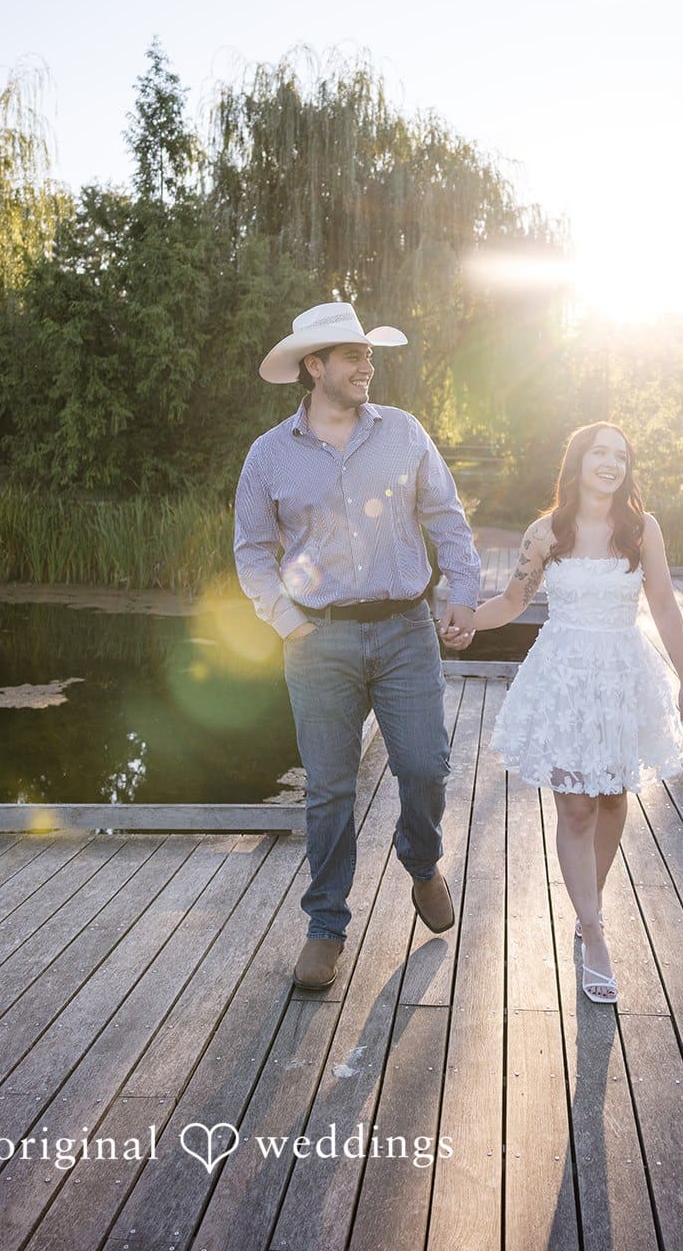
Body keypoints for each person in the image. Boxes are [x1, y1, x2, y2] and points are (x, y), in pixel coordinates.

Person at [234, 302, 481, 991]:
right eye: (352, 355)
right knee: (328, 789)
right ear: (315, 367)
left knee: (425, 765)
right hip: (319, 643)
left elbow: (448, 521)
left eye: (368, 355)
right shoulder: (269, 455)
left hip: (406, 631)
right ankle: (325, 925)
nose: (367, 365)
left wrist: (462, 593)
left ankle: (422, 861)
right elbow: (252, 552)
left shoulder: (403, 434)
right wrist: (287, 622)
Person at [470, 422, 683, 1004]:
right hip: (565, 676)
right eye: (600, 453)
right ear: (577, 462)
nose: (611, 463)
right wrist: (468, 619)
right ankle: (594, 934)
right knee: (576, 806)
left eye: (621, 456)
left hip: (622, 674)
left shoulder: (642, 530)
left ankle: (585, 904)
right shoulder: (546, 532)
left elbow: (666, 605)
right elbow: (512, 601)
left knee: (614, 799)